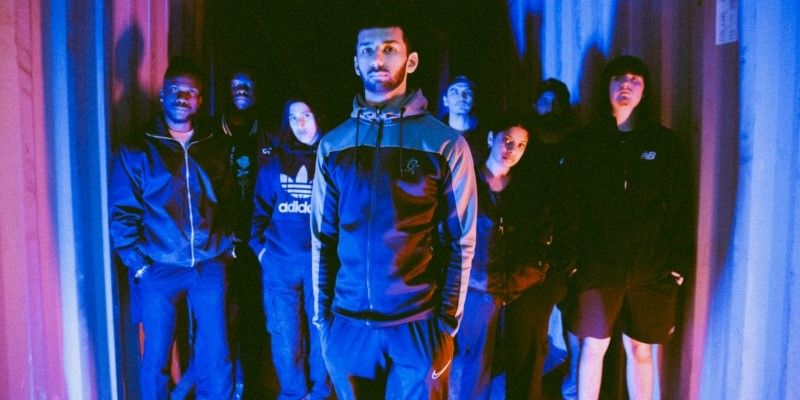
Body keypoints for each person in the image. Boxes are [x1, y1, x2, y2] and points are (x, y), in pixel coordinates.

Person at [310, 22, 477, 399]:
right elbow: (323, 238)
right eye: (368, 51)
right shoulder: (334, 145)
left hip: (416, 326)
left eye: (390, 49)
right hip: (348, 327)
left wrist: (446, 326)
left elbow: (461, 242)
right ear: (356, 63)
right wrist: (324, 322)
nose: (377, 59)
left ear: (411, 60)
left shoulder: (444, 144)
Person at [109, 57, 235, 399]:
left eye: (191, 91)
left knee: (216, 355)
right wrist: (140, 266)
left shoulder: (215, 145)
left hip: (209, 265)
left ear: (200, 100)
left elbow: (231, 199)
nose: (183, 97)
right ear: (162, 95)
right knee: (156, 358)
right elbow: (121, 213)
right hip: (158, 268)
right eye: (176, 90)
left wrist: (228, 247)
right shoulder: (137, 147)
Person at [569, 55, 690, 400]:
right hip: (597, 265)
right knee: (593, 347)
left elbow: (679, 208)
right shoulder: (586, 142)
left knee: (640, 349)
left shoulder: (663, 143)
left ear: (645, 90)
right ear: (605, 86)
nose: (626, 84)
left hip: (650, 267)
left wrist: (678, 263)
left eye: (635, 79)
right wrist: (573, 261)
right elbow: (569, 204)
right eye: (619, 78)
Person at [448, 115, 572, 400]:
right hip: (477, 291)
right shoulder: (467, 182)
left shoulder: (529, 189)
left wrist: (537, 275)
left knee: (524, 373)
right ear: (491, 138)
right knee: (472, 371)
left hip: (521, 292)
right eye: (507, 141)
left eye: (520, 145)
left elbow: (542, 237)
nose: (512, 150)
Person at [250, 99, 332, 399]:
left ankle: (321, 393)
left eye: (306, 114)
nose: (300, 123)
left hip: (321, 266)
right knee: (284, 335)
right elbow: (259, 212)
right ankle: (292, 393)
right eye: (293, 117)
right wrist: (262, 252)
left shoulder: (333, 158)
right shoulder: (274, 163)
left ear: (317, 116)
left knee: (321, 331)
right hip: (280, 266)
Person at [441, 75, 486, 160]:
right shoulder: (435, 133)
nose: (462, 97)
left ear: (474, 101)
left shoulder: (482, 139)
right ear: (445, 100)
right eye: (454, 92)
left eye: (467, 92)